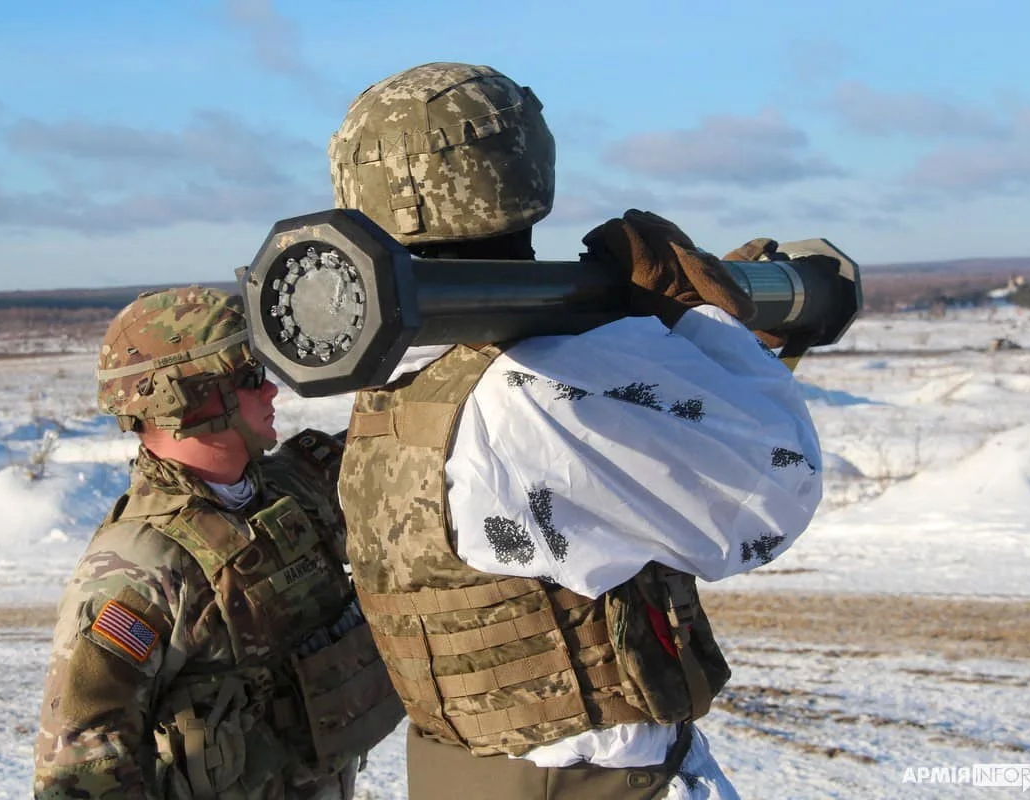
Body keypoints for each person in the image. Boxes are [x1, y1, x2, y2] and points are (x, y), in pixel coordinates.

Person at [329, 62, 824, 798]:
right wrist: (697, 320)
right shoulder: (541, 386)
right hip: (586, 781)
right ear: (523, 169)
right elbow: (774, 488)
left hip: (459, 773)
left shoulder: (400, 377)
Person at [33, 286, 403, 799]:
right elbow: (81, 768)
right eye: (251, 379)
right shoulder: (138, 567)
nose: (271, 392)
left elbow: (400, 443)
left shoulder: (290, 490)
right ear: (188, 400)